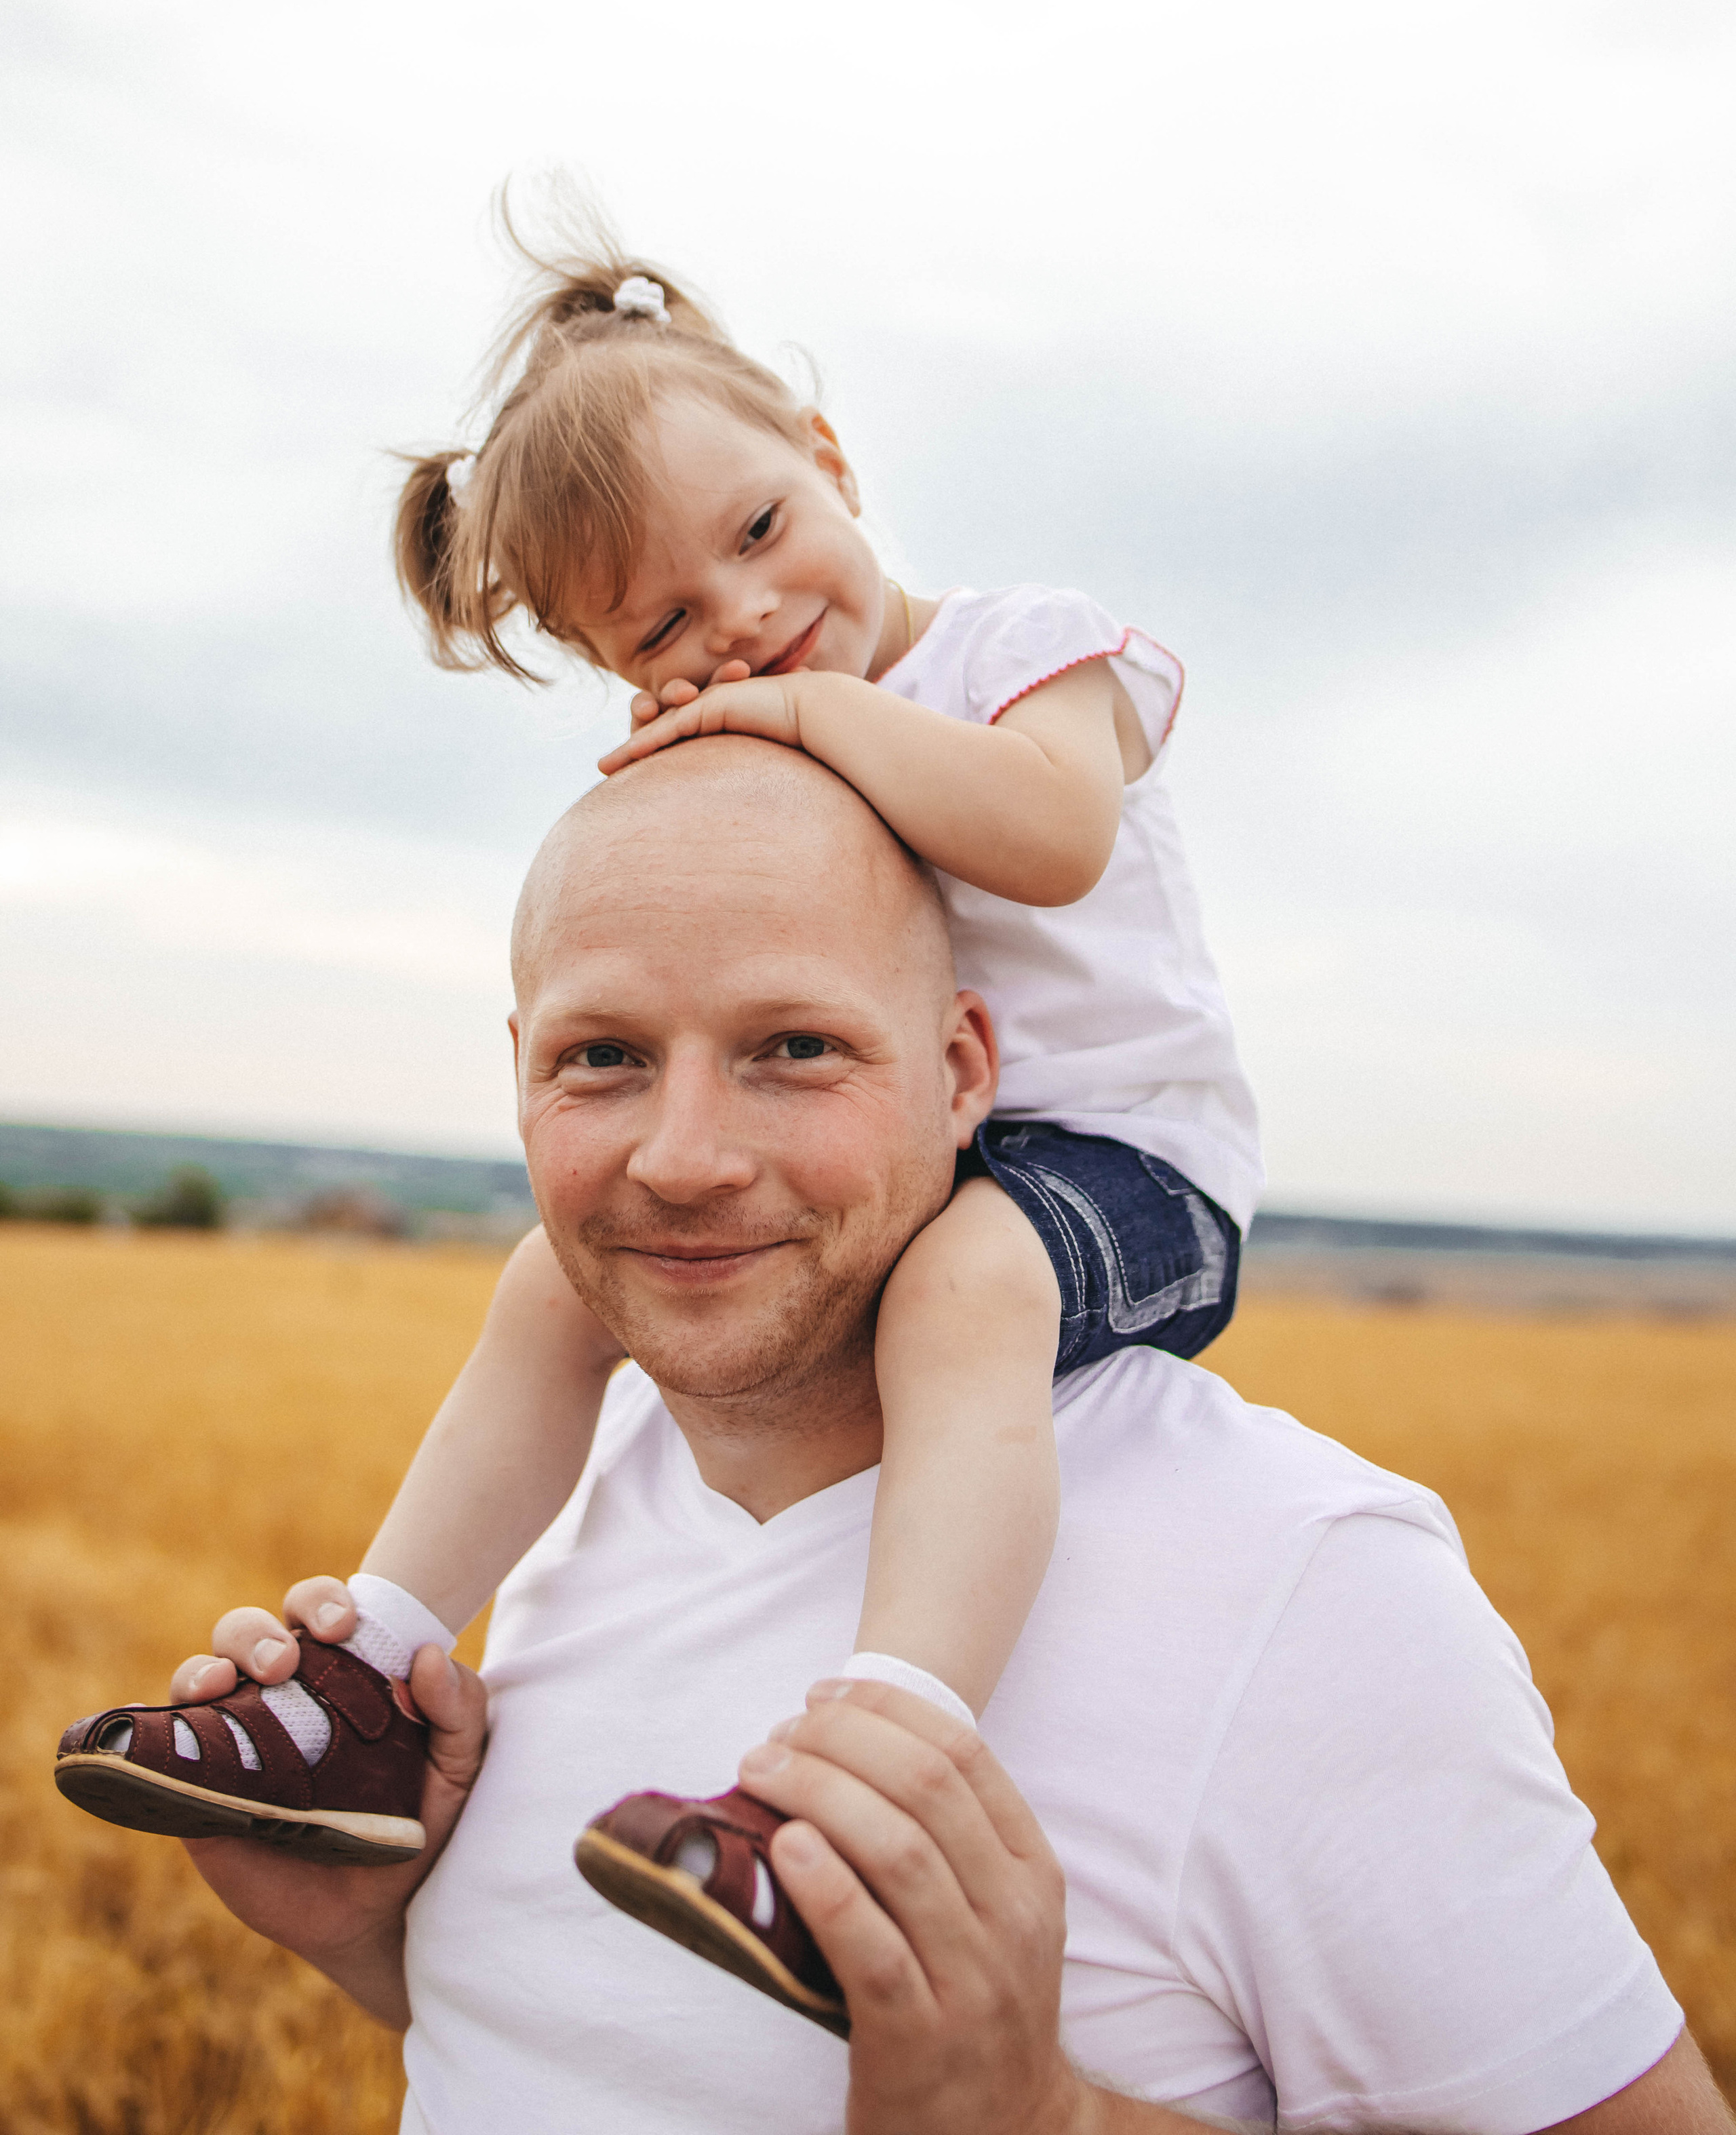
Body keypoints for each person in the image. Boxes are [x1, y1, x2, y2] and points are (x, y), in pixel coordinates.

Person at [87, 741, 1720, 2134]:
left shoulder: (1307, 1587)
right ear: (514, 1076)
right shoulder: (570, 1499)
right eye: (602, 1058)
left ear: (959, 1075)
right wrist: (375, 1944)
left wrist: (1047, 2117)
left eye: (794, 1047)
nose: (683, 1158)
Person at [58, 224, 1261, 2004]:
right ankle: (371, 1686)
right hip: (899, 1156)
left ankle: (870, 1791)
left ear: (831, 461)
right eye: (675, 624)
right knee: (557, 1275)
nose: (751, 615)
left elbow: (1050, 832)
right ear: (628, 673)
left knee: (964, 1293)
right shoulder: (764, 734)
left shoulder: (1023, 647)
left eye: (762, 532)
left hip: (1121, 1165)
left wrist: (793, 709)